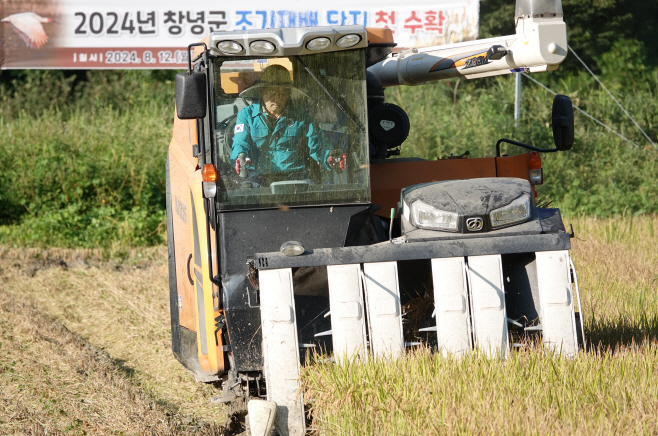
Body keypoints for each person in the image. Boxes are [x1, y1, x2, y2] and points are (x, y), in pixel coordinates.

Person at [230, 64, 345, 181]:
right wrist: (240, 158)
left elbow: (318, 144)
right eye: (272, 93)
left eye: (283, 93)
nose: (278, 98)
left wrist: (329, 157)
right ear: (262, 91)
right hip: (259, 179)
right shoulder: (246, 115)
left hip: (296, 177)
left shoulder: (301, 116)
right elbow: (240, 143)